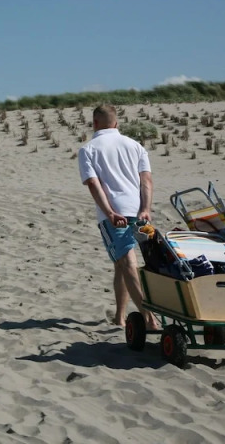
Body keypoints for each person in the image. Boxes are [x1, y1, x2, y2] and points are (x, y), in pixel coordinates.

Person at [78, 104, 160, 331]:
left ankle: (150, 318)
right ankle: (120, 316)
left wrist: (110, 213)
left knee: (128, 263)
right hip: (139, 212)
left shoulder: (88, 149)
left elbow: (94, 185)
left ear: (94, 123)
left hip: (116, 215)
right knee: (120, 265)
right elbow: (146, 180)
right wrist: (146, 208)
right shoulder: (135, 146)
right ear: (116, 123)